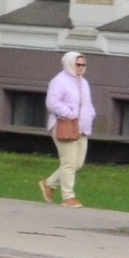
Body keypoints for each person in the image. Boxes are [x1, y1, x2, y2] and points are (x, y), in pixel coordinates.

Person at [39, 51, 95, 206]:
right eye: (78, 64)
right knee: (68, 163)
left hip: (82, 127)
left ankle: (49, 183)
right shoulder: (59, 81)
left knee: (77, 164)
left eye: (83, 65)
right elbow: (52, 103)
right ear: (70, 63)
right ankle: (68, 196)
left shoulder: (83, 82)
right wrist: (70, 114)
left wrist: (90, 114)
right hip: (63, 126)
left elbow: (87, 103)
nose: (81, 68)